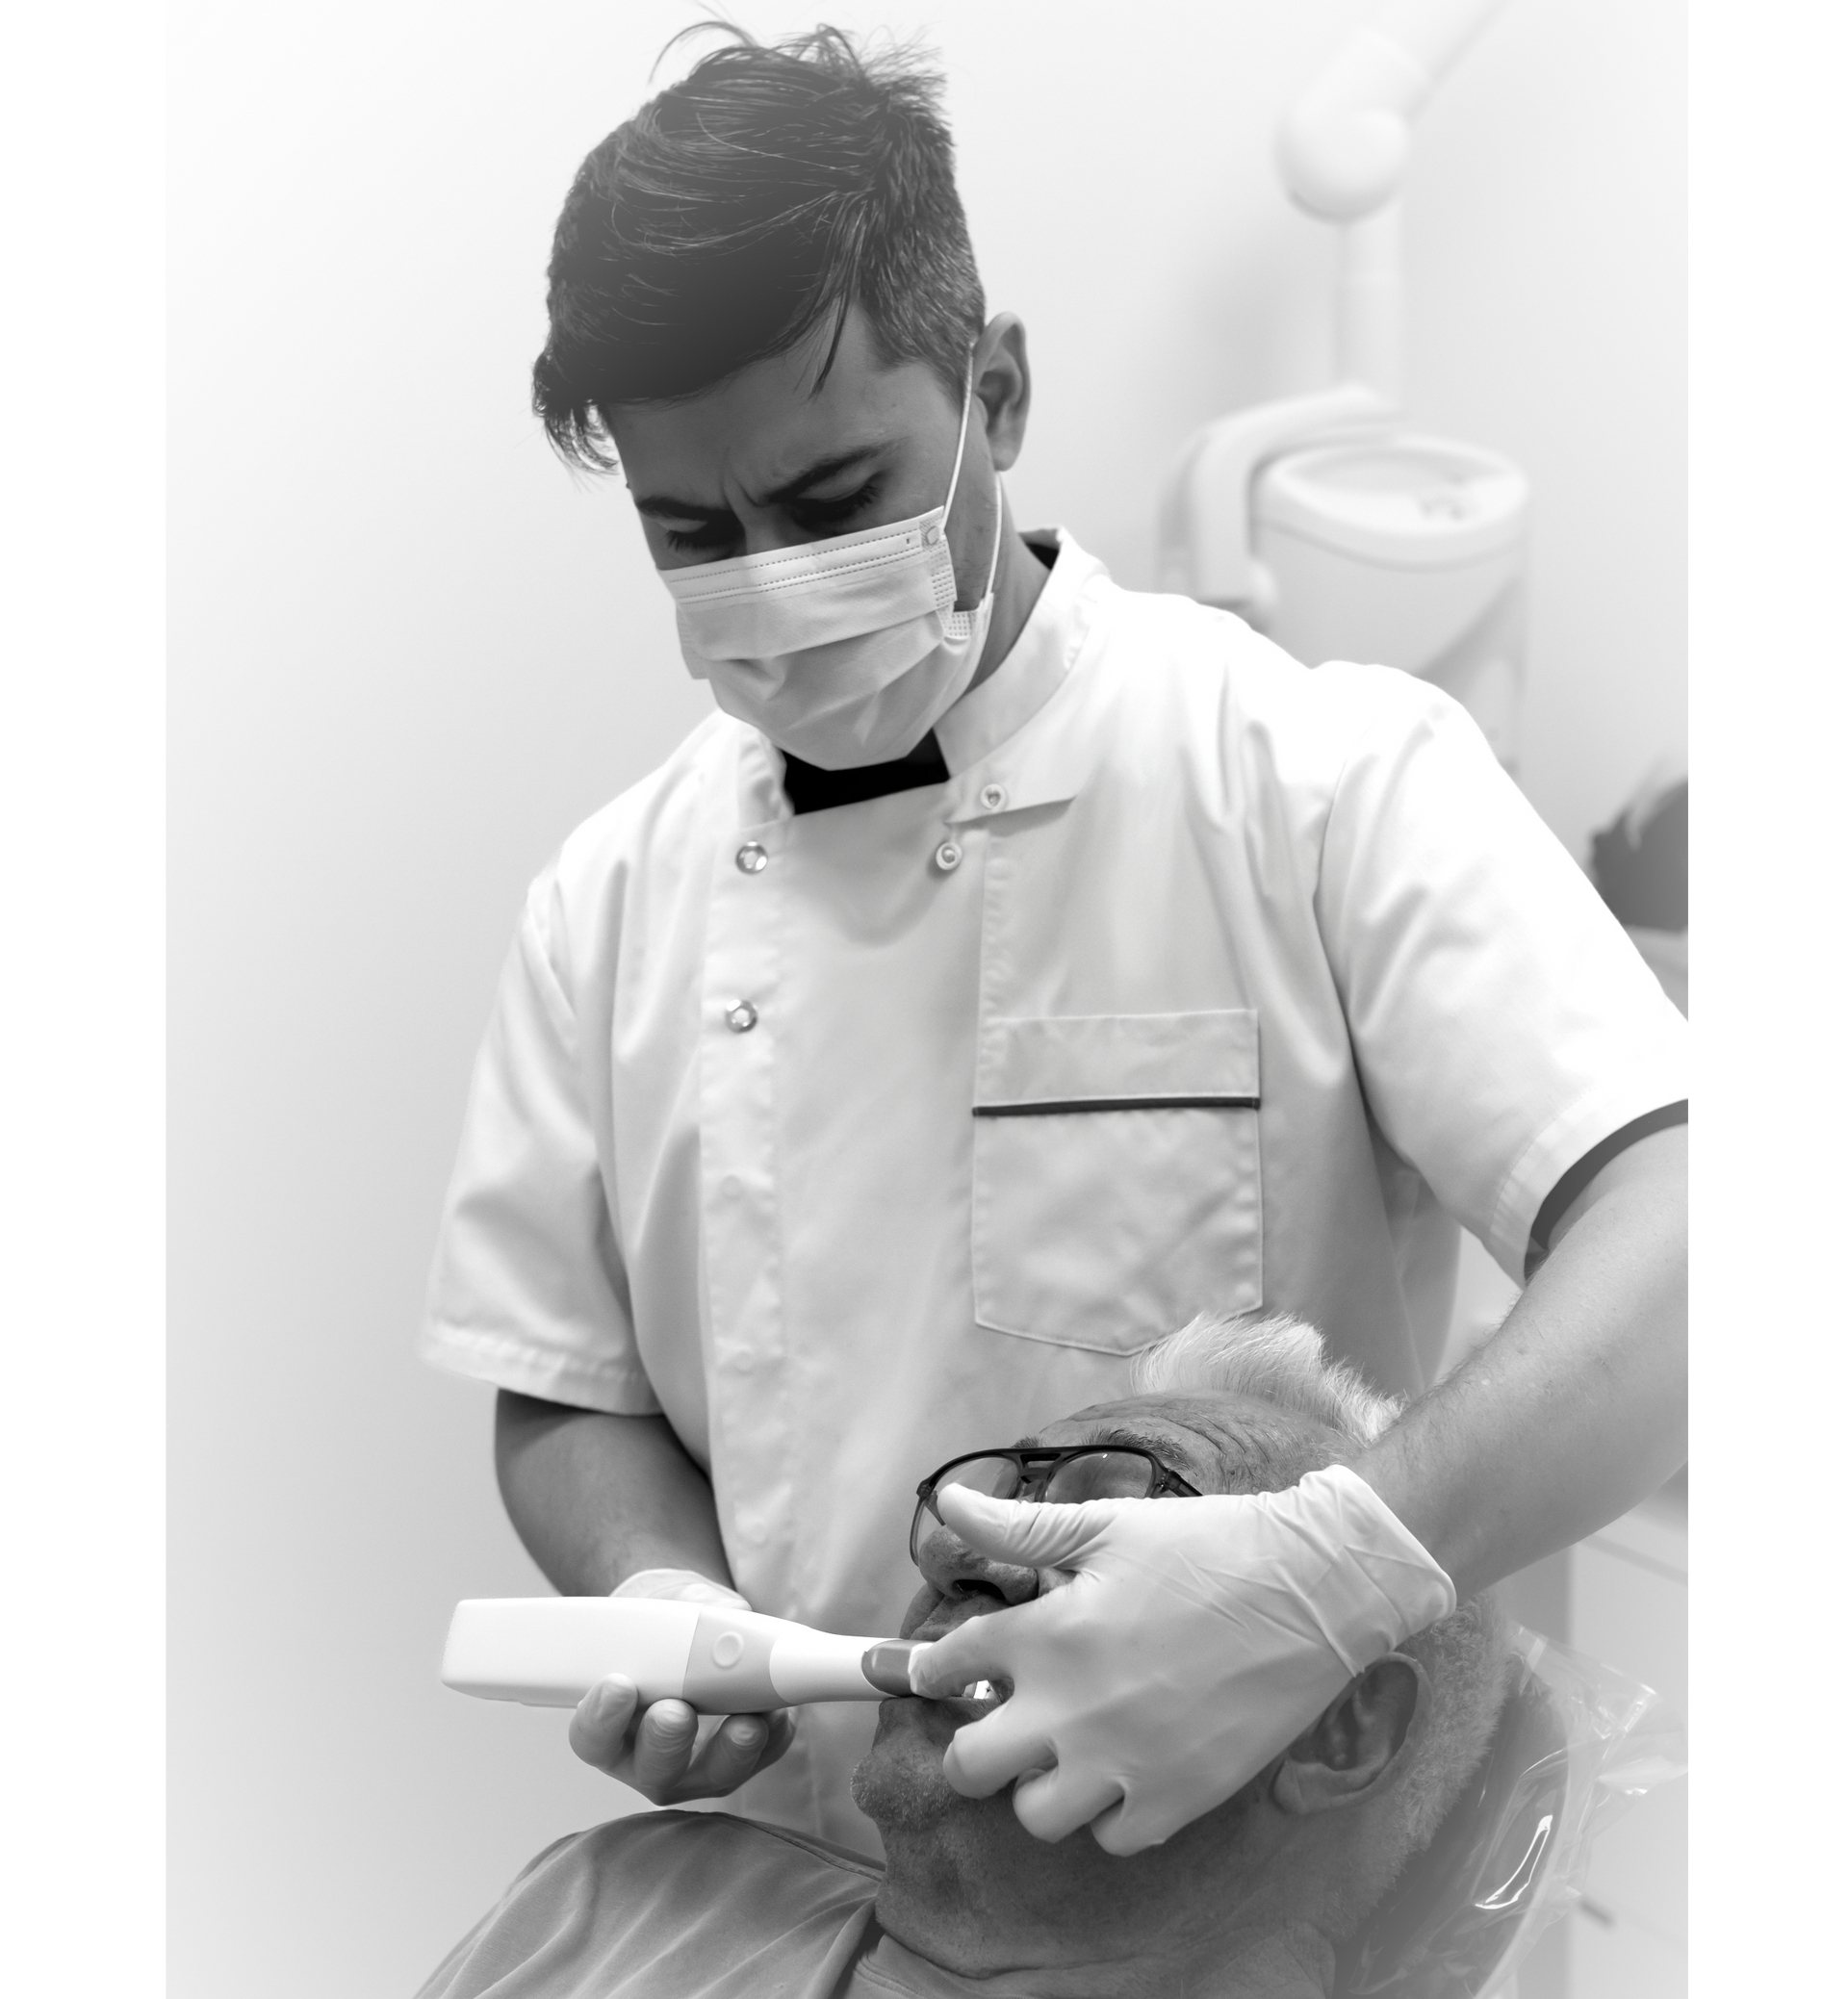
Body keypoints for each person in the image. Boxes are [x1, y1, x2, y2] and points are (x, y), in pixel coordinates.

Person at [421, 26, 1690, 1854]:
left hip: (1255, 1903)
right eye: (693, 533)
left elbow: (1668, 1235)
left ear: (996, 395)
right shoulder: (606, 901)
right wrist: (651, 1590)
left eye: (837, 501)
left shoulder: (1312, 776)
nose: (769, 581)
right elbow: (565, 1391)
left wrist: (1329, 1572)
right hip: (805, 1879)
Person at [418, 1315, 1517, 1999]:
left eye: (1107, 1508)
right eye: (1004, 1496)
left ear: (1343, 1725)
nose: (961, 1549)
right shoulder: (609, 1902)